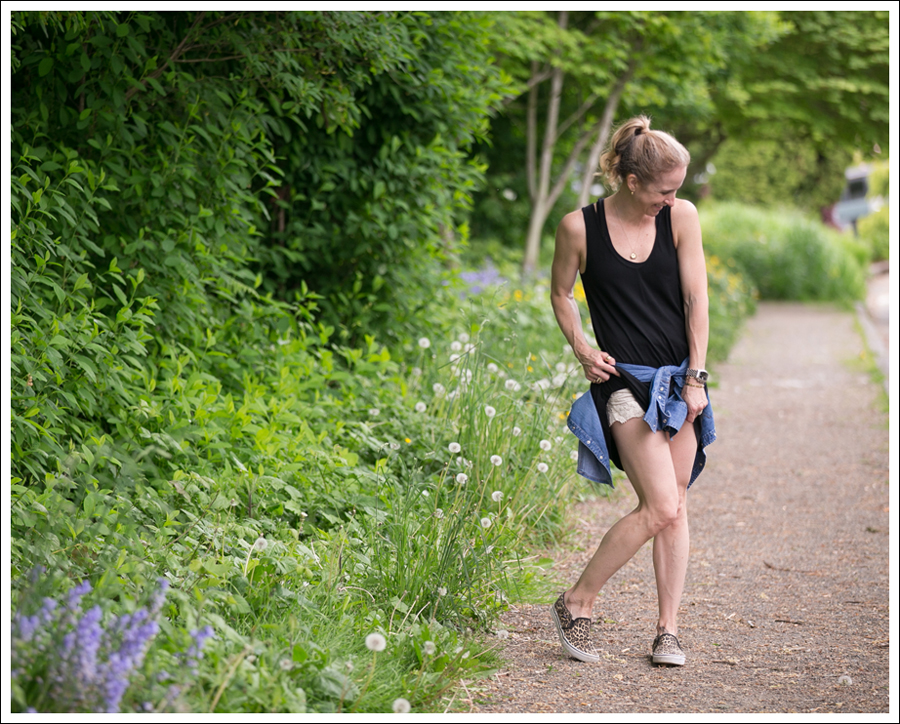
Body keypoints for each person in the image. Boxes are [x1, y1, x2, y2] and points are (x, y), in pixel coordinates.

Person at [549, 115, 716, 667]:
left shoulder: (681, 218)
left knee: (676, 507)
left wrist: (696, 377)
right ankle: (577, 600)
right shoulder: (579, 228)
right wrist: (579, 344)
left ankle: (668, 630)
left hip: (678, 382)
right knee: (661, 505)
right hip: (623, 383)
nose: (672, 200)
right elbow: (562, 294)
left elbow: (697, 301)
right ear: (631, 181)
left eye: (678, 190)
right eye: (664, 191)